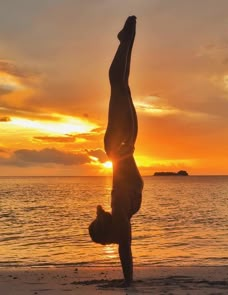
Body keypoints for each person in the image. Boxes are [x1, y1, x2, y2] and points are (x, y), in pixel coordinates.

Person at [88, 15, 143, 286]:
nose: (113, 241)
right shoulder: (122, 209)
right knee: (121, 85)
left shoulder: (120, 207)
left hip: (119, 146)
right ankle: (126, 40)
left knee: (119, 84)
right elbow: (125, 245)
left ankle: (127, 40)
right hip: (121, 148)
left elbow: (125, 248)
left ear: (111, 231)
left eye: (105, 238)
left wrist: (128, 281)